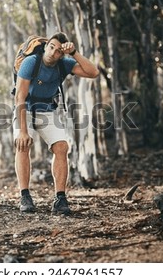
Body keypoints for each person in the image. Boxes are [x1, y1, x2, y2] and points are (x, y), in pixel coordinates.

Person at [13, 32, 99, 215]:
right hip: (25, 109)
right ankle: (25, 196)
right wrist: (22, 131)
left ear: (62, 54)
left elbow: (93, 72)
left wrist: (74, 53)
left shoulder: (64, 64)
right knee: (23, 145)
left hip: (47, 110)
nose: (53, 52)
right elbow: (19, 96)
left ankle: (60, 199)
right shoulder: (31, 62)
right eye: (51, 47)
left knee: (62, 147)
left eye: (59, 50)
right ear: (46, 46)